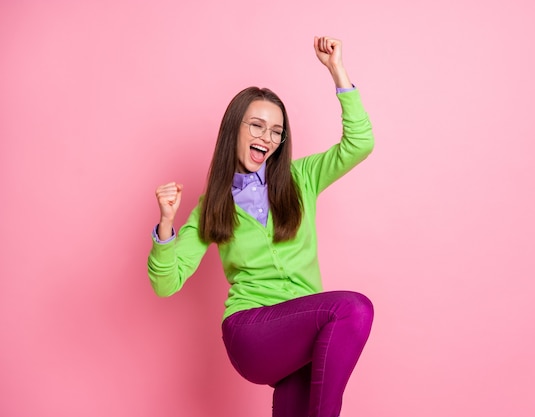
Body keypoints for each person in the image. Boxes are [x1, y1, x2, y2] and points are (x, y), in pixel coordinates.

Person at [147, 36, 374, 417]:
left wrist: (337, 71)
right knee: (353, 309)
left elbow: (359, 144)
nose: (266, 138)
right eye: (256, 126)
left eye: (275, 131)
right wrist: (166, 226)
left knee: (305, 385)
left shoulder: (302, 177)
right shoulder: (212, 206)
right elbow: (166, 283)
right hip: (250, 332)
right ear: (234, 129)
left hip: (300, 334)